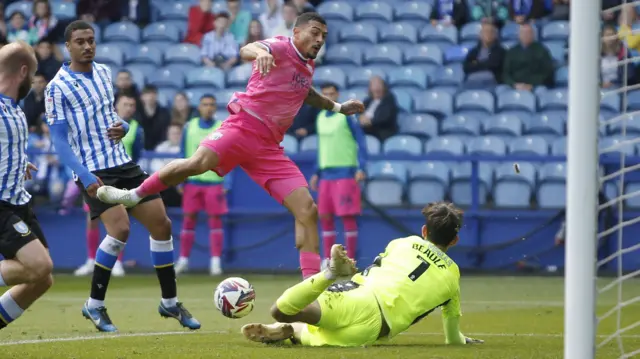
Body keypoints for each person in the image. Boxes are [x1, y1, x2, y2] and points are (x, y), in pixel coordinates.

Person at [96, 12, 365, 279]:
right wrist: (259, 51)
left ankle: (309, 290)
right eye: (315, 32)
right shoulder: (282, 46)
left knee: (307, 210)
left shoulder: (307, 66)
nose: (319, 40)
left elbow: (305, 92)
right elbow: (248, 48)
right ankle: (135, 194)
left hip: (269, 147)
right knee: (197, 164)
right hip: (244, 126)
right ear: (297, 33)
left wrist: (339, 107)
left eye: (324, 36)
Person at [45, 20, 200, 333]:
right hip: (92, 168)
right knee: (120, 229)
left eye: (91, 40)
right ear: (68, 46)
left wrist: (125, 127)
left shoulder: (103, 73)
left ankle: (169, 302)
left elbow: (110, 117)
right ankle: (94, 305)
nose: (87, 46)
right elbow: (59, 141)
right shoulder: (56, 87)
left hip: (122, 162)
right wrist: (84, 175)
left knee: (162, 223)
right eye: (80, 41)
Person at [241, 202, 484, 347]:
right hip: (375, 331)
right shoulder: (453, 275)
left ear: (424, 230)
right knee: (316, 337)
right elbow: (452, 337)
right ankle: (290, 332)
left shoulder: (403, 242)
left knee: (282, 310)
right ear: (455, 240)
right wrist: (462, 340)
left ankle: (330, 274)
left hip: (360, 299)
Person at [0, 41, 54, 331]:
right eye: (32, 77)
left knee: (42, 279)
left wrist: (18, 164)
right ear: (23, 72)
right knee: (39, 266)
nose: (34, 83)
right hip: (1, 206)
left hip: (20, 203)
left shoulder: (16, 111)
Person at [74, 93, 142, 278]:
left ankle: (118, 262)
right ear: (116, 105)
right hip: (98, 176)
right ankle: (90, 260)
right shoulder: (100, 123)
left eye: (131, 104)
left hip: (122, 177)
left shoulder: (136, 128)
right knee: (93, 219)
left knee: (119, 221)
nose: (129, 107)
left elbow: (137, 154)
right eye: (125, 103)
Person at [309, 83, 367, 267]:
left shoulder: (347, 117)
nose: (328, 97)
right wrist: (317, 172)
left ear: (338, 95)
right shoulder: (320, 117)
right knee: (325, 217)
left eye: (331, 94)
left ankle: (349, 260)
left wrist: (361, 167)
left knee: (348, 218)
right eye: (325, 94)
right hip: (326, 175)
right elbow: (322, 148)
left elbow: (361, 142)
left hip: (345, 173)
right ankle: (328, 259)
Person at [175, 94, 231, 276]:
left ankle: (215, 262)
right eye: (205, 104)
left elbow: (230, 154)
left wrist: (227, 180)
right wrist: (180, 178)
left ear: (215, 108)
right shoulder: (189, 127)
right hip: (192, 181)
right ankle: (183, 260)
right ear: (199, 107)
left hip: (214, 182)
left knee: (215, 222)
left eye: (212, 105)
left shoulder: (221, 127)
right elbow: (183, 153)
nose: (208, 108)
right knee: (188, 220)